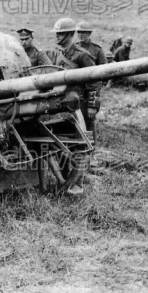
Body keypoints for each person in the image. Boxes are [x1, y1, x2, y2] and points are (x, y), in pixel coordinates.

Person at [50, 17, 99, 195]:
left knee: (82, 144)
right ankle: (66, 176)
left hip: (81, 105)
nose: (57, 37)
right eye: (56, 33)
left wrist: (93, 106)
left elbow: (95, 80)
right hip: (61, 104)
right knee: (63, 141)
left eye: (61, 34)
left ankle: (78, 182)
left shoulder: (81, 55)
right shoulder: (57, 53)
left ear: (71, 34)